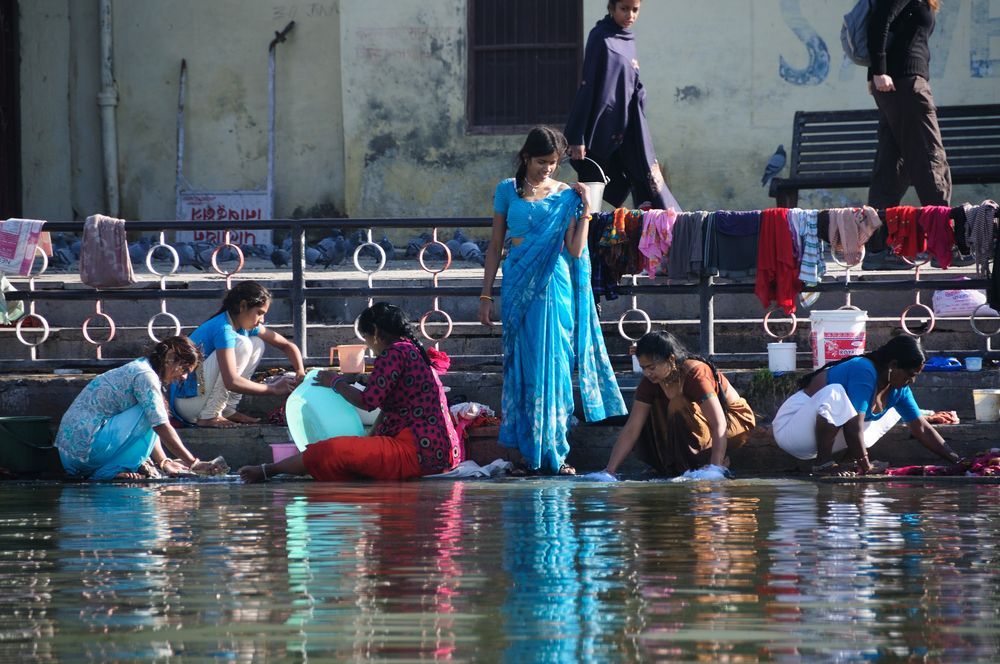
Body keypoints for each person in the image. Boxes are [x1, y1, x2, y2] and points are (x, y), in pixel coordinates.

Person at [478, 126, 627, 476]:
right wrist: (485, 294)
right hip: (517, 286)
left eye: (554, 163)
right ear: (526, 157)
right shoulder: (506, 191)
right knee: (524, 367)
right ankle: (527, 455)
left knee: (556, 368)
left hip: (554, 285)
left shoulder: (566, 195)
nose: (547, 169)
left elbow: (576, 250)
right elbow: (496, 246)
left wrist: (587, 210)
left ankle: (556, 455)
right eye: (542, 161)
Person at [238, 302, 461, 482]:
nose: (369, 346)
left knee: (328, 451)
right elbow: (388, 406)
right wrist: (370, 435)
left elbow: (368, 401)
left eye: (366, 339)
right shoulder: (412, 351)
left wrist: (334, 381)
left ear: (374, 332)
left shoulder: (395, 352)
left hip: (417, 454)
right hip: (443, 455)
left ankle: (268, 471)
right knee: (353, 451)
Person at [773, 335, 962, 476]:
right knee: (836, 392)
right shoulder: (863, 368)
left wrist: (957, 460)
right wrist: (867, 465)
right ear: (893, 365)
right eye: (910, 374)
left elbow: (921, 428)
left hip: (814, 440)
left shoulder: (899, 389)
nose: (911, 381)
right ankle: (824, 464)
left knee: (894, 414)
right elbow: (854, 425)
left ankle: (849, 464)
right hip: (792, 431)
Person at [862, 0, 958, 269]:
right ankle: (944, 245)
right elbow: (879, 20)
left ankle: (877, 250)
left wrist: (878, 73)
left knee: (891, 167)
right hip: (905, 84)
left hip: (896, 86)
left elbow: (890, 26)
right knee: (930, 159)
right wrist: (878, 70)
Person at [564, 0, 680, 212]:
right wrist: (577, 136)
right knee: (592, 197)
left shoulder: (628, 40)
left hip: (627, 126)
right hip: (598, 129)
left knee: (642, 179)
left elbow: (629, 81)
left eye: (635, 10)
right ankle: (586, 243)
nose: (630, 15)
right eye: (624, 9)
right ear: (612, 8)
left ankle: (654, 237)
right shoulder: (600, 37)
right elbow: (588, 86)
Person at [55, 336, 224, 480]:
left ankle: (107, 470)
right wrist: (193, 463)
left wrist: (164, 462)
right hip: (86, 450)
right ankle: (111, 470)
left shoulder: (142, 368)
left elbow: (153, 423)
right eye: (185, 369)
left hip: (73, 456)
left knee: (154, 411)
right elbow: (159, 425)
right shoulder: (145, 375)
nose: (185, 376)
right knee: (155, 413)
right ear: (170, 358)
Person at [597, 330, 756, 479]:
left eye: (651, 367)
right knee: (646, 410)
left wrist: (715, 468)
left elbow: (719, 422)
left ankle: (708, 462)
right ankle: (668, 464)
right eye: (643, 368)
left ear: (671, 359)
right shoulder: (650, 381)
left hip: (734, 422)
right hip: (704, 424)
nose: (647, 373)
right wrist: (609, 471)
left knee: (677, 403)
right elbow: (632, 427)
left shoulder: (695, 373)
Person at [171, 280, 305, 427]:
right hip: (187, 403)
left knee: (257, 343)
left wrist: (300, 371)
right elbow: (231, 381)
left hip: (199, 398)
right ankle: (210, 414)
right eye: (259, 313)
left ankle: (227, 409)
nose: (262, 320)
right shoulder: (223, 329)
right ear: (242, 306)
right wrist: (273, 389)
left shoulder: (242, 325)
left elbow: (286, 345)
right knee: (243, 344)